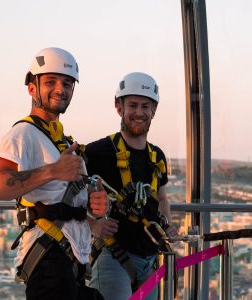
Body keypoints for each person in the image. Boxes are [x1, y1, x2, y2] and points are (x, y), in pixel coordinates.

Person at [0, 47, 105, 300]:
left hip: (70, 258)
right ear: (31, 88)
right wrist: (52, 170)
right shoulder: (23, 133)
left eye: (67, 83)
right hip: (49, 259)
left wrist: (95, 204)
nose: (61, 89)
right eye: (51, 82)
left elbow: (64, 198)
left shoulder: (61, 140)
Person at [85, 72, 178, 299]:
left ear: (153, 111)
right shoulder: (97, 152)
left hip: (149, 257)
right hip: (113, 255)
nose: (139, 112)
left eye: (145, 106)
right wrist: (93, 225)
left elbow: (162, 198)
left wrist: (165, 223)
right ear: (119, 108)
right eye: (133, 105)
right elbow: (67, 195)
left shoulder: (157, 156)